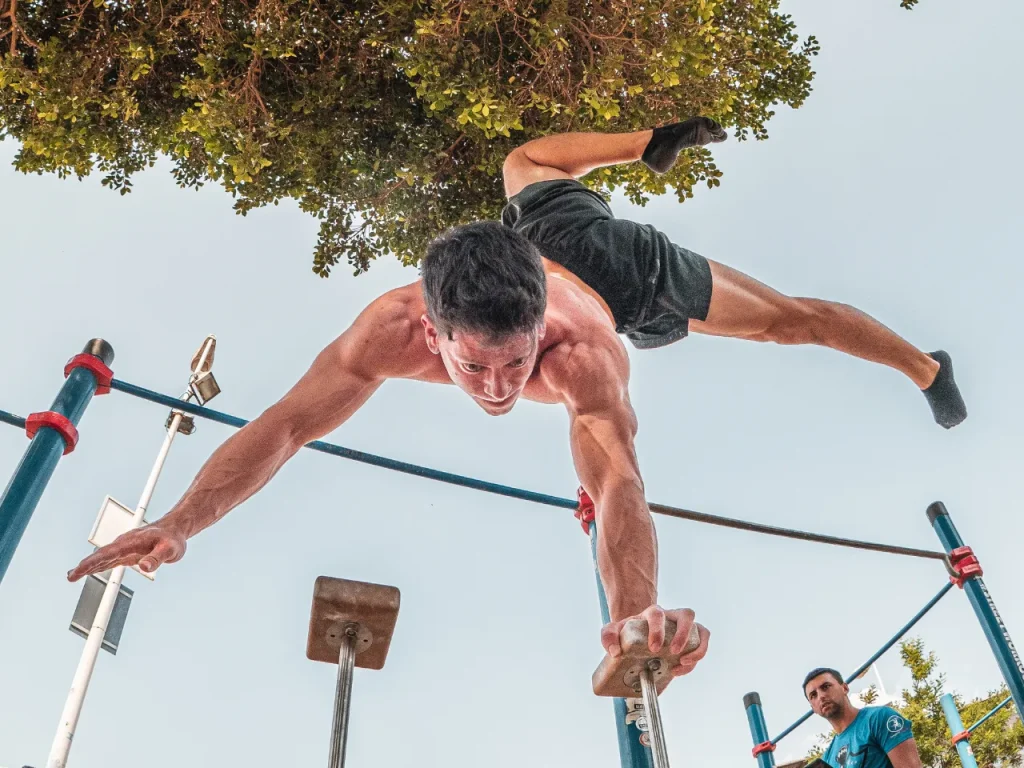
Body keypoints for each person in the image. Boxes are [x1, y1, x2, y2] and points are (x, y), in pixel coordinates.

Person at [67, 118, 966, 683]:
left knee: (791, 323)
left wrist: (633, 615)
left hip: (619, 275)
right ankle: (644, 139)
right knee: (522, 161)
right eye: (476, 369)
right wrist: (184, 518)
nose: (499, 391)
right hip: (534, 236)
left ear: (541, 334)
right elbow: (287, 424)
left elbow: (618, 483)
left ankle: (925, 367)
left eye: (517, 364)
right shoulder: (388, 327)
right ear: (434, 335)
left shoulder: (586, 357)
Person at [804, 667, 924, 768]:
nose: (821, 696)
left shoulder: (880, 718)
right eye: (813, 695)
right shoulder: (828, 758)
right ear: (813, 708)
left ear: (844, 688)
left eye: (826, 687)